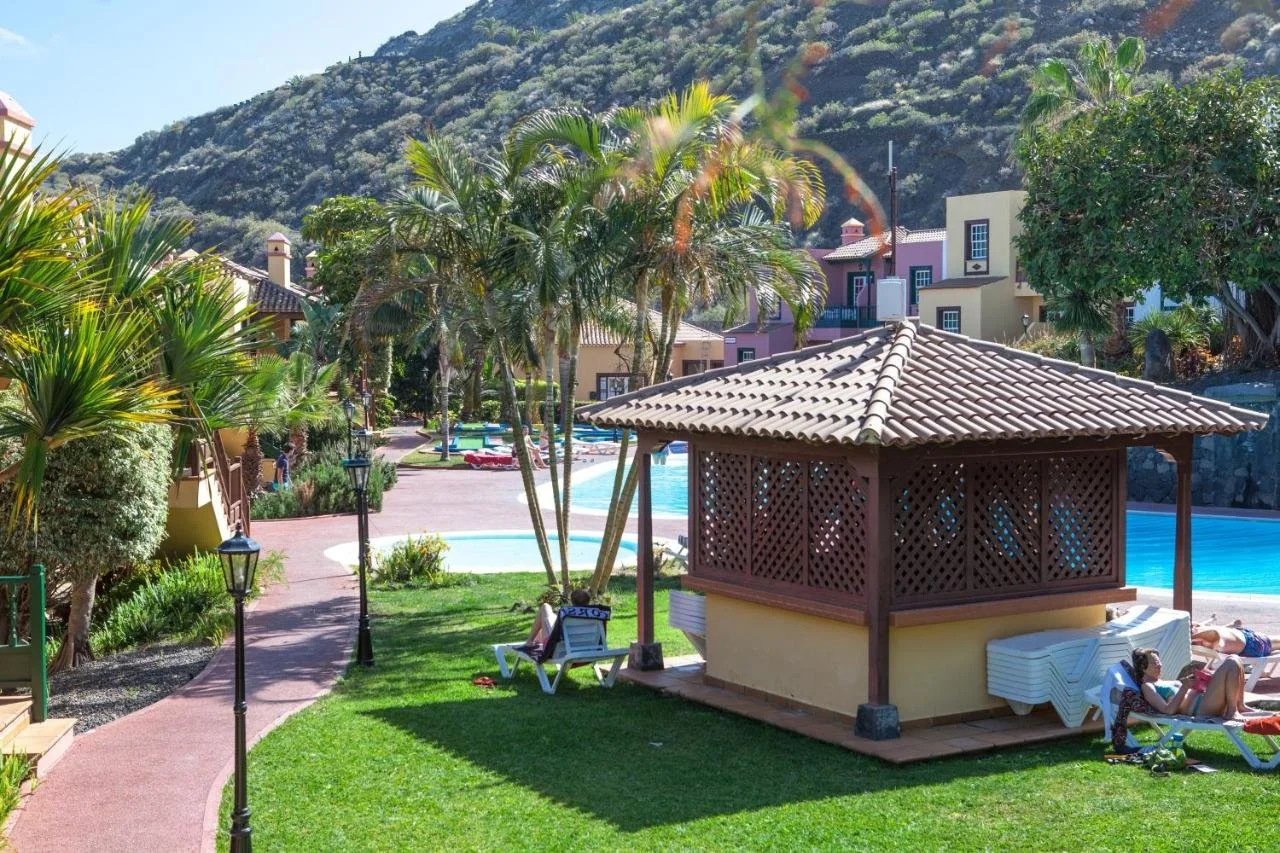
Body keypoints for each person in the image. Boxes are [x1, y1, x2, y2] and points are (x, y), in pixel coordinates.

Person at [520, 588, 593, 660]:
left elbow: (556, 632)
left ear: (572, 601)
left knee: (545, 607)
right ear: (588, 601)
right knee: (552, 617)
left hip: (557, 651)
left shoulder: (566, 614)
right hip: (588, 652)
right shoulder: (595, 615)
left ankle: (529, 642)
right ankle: (534, 642)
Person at [1192, 622, 1274, 659]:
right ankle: (1233, 625)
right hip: (1249, 644)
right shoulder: (1214, 639)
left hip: (1253, 643)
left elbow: (1214, 635)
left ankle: (1233, 625)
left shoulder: (1212, 637)